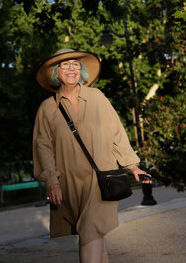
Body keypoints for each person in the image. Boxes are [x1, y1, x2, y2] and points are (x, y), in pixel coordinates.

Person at [33, 48, 152, 263]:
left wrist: (133, 166)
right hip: (69, 183)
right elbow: (43, 148)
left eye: (76, 64)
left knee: (90, 232)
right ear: (56, 73)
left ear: (82, 71)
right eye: (65, 65)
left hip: (101, 180)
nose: (72, 68)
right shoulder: (47, 108)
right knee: (95, 237)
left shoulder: (97, 97)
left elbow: (117, 133)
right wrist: (52, 181)